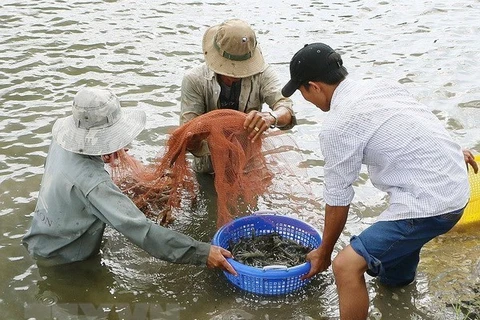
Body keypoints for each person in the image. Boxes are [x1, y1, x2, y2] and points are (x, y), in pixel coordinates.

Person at [281, 42, 477, 320]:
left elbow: (338, 199)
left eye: (302, 92)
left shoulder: (338, 125)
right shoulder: (381, 86)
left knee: (345, 266)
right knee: (393, 272)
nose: (306, 99)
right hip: (455, 185)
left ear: (314, 87)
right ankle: (400, 301)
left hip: (432, 204)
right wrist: (452, 151)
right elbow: (418, 122)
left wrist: (325, 254)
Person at [22, 87, 236, 276]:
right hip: (65, 262)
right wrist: (202, 252)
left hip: (41, 240)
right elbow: (142, 232)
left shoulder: (62, 141)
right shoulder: (93, 184)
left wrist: (104, 150)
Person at [180, 19, 296, 173]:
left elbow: (285, 109)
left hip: (249, 165)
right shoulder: (194, 79)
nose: (233, 75)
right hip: (208, 167)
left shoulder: (263, 74)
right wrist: (195, 135)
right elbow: (188, 135)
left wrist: (270, 117)